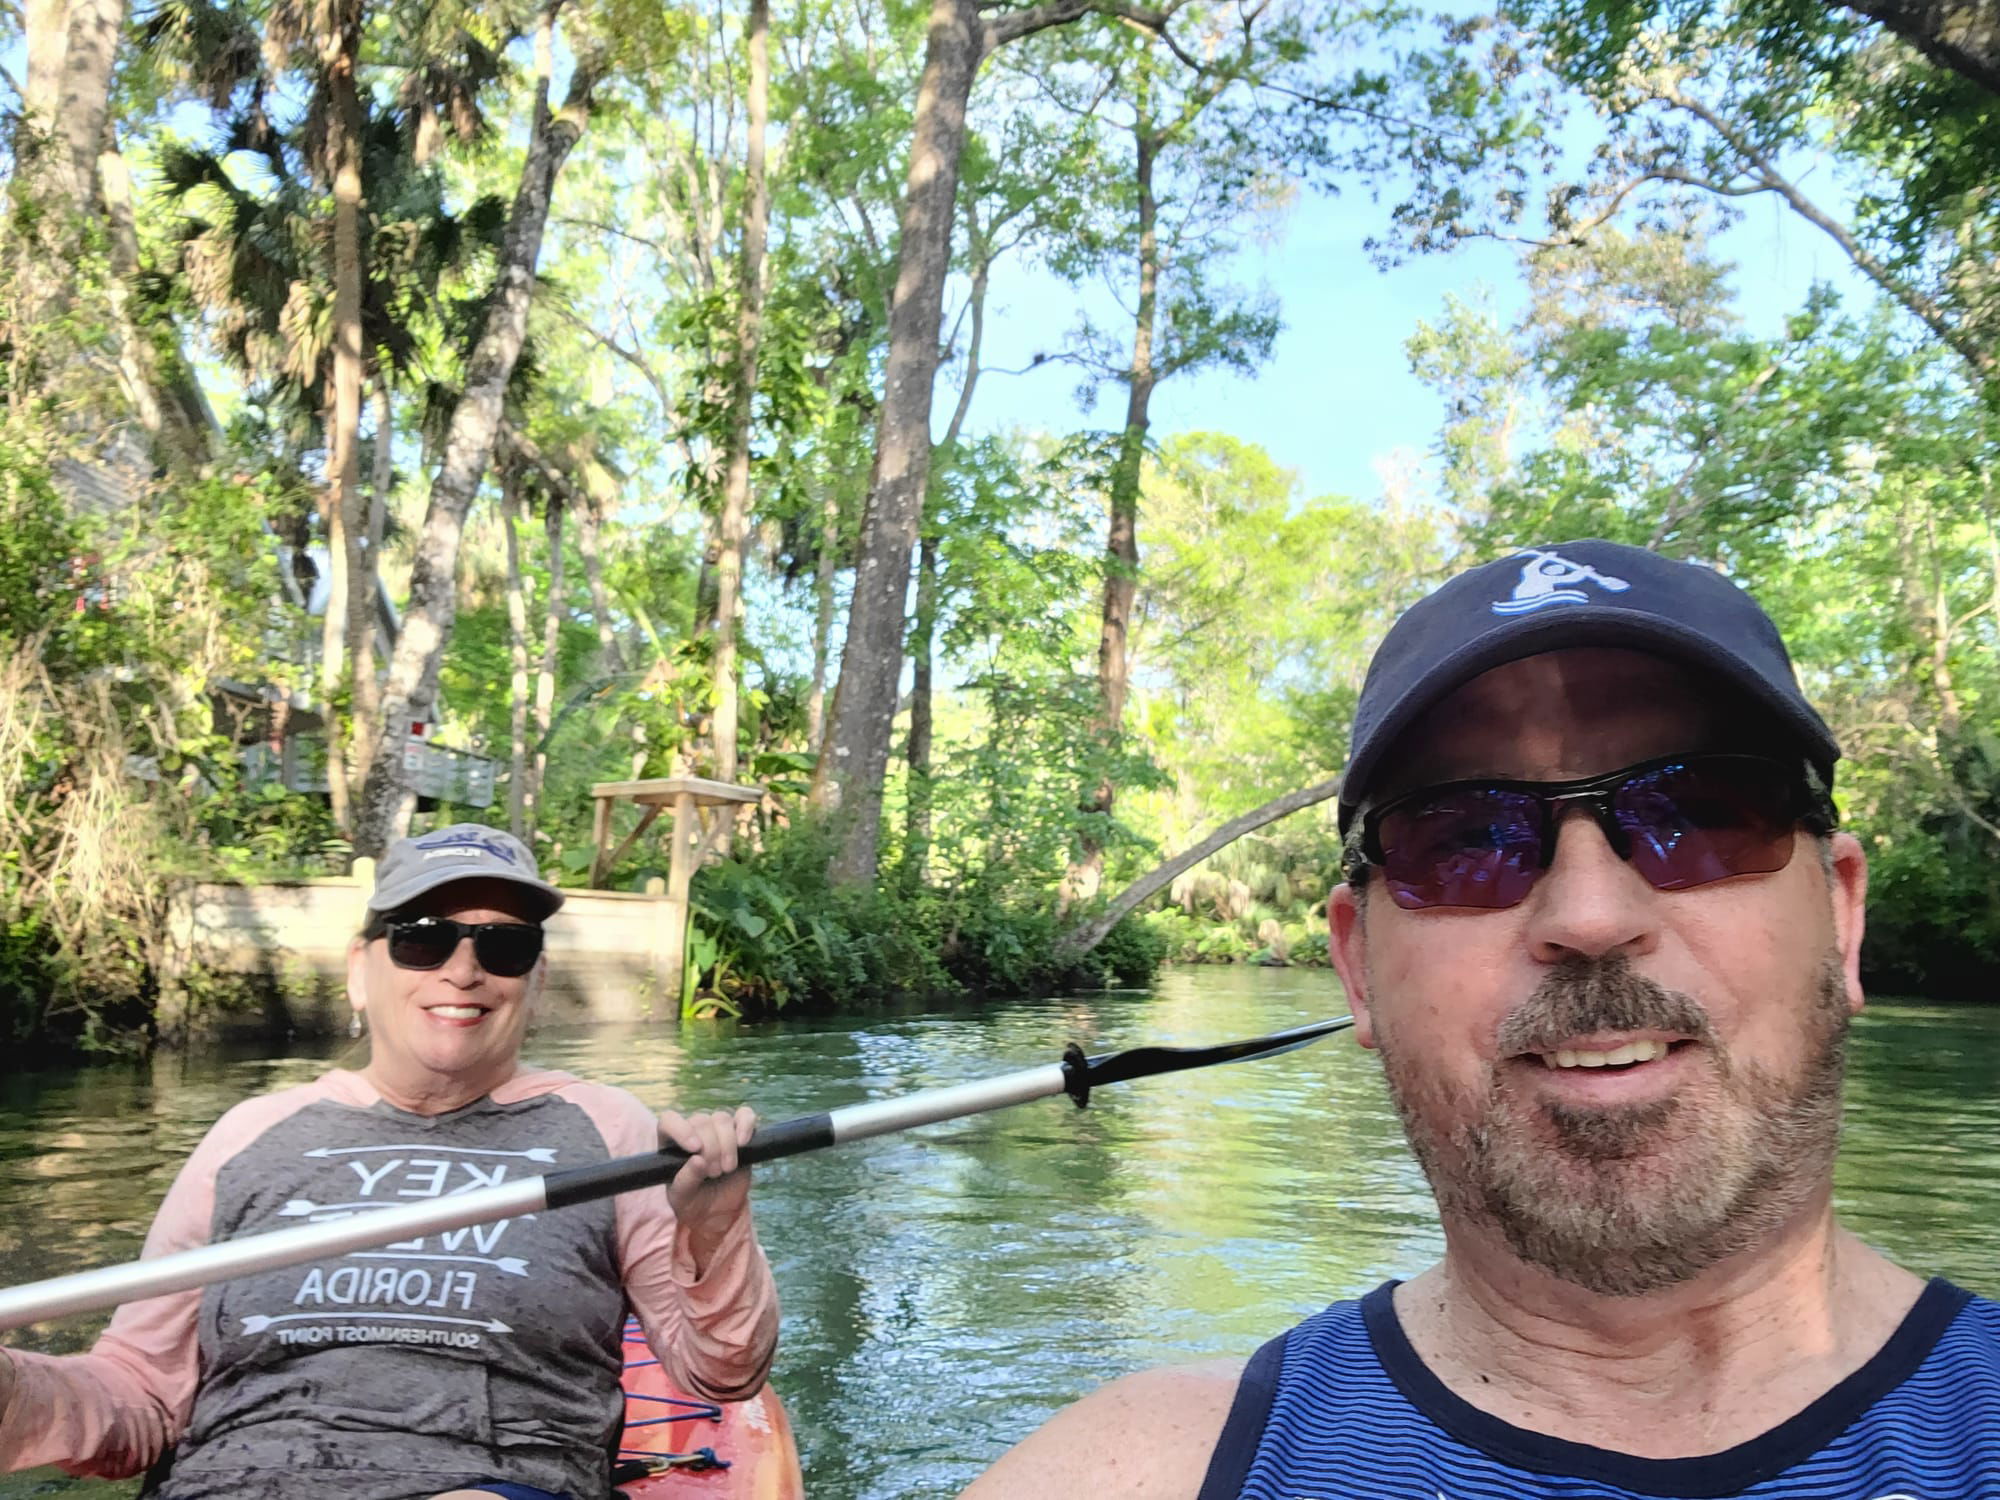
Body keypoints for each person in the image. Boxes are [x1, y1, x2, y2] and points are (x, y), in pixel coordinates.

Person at [962, 540, 2000, 1498]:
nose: (1588, 916)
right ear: (1355, 966)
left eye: (1698, 817)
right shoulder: (1145, 1470)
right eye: (1463, 838)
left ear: (1840, 916)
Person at [0, 824, 779, 1500]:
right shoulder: (252, 1131)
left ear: (534, 983)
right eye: (423, 937)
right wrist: (15, 1391)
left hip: (492, 1482)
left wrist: (712, 1231)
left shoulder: (610, 1130)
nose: (463, 970)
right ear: (359, 969)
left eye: (504, 946)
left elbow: (721, 1375)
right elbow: (138, 1398)